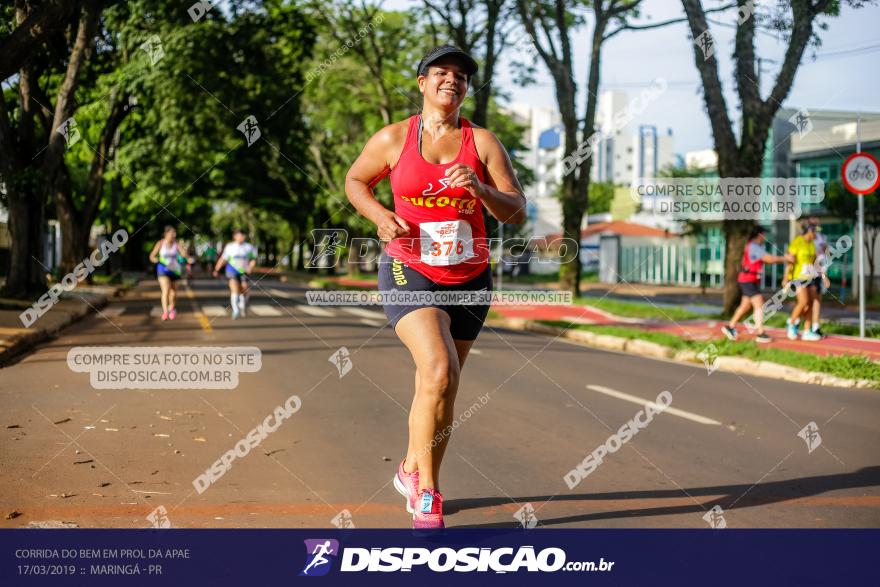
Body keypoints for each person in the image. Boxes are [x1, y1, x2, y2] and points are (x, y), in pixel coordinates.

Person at [345, 45, 526, 529]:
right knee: (440, 368)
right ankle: (427, 491)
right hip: (410, 267)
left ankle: (411, 468)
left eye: (462, 76)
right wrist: (382, 217)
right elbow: (356, 181)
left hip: (469, 276)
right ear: (422, 82)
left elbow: (515, 209)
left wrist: (482, 190)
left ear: (467, 89)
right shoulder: (393, 138)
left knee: (441, 385)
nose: (453, 80)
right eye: (442, 73)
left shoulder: (483, 143)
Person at [722, 226, 793, 343]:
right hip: (748, 280)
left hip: (750, 279)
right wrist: (786, 258)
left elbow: (766, 260)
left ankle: (730, 327)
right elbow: (769, 259)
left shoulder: (755, 246)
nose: (765, 237)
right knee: (759, 304)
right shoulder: (754, 247)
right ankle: (760, 333)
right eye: (764, 234)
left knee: (745, 306)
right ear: (759, 235)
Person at [784, 222, 821, 341]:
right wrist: (786, 279)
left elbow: (813, 260)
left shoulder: (812, 244)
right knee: (803, 301)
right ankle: (792, 324)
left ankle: (806, 331)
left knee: (810, 303)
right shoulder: (797, 242)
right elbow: (790, 261)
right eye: (815, 231)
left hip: (810, 277)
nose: (816, 234)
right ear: (810, 231)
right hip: (797, 277)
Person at [148, 226, 191, 321]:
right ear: (166, 234)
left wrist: (186, 256)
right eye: (172, 233)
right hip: (163, 270)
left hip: (175, 270)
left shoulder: (177, 244)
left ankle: (171, 307)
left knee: (174, 293)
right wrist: (155, 259)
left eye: (175, 233)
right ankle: (165, 312)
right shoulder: (160, 243)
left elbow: (184, 255)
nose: (174, 235)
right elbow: (152, 256)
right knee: (165, 290)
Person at [213, 229, 257, 319]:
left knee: (244, 289)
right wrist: (216, 269)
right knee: (234, 290)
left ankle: (242, 304)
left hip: (243, 271)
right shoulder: (230, 247)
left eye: (243, 235)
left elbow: (253, 259)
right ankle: (236, 309)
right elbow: (223, 259)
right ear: (235, 236)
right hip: (232, 271)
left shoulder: (249, 247)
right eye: (240, 235)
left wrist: (250, 267)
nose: (242, 237)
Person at [807, 217, 831, 337]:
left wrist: (827, 249)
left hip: (817, 273)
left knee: (816, 301)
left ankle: (815, 327)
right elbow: (813, 259)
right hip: (808, 274)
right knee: (806, 302)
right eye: (815, 224)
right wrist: (824, 275)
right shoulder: (808, 239)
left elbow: (824, 252)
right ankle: (795, 323)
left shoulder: (819, 237)